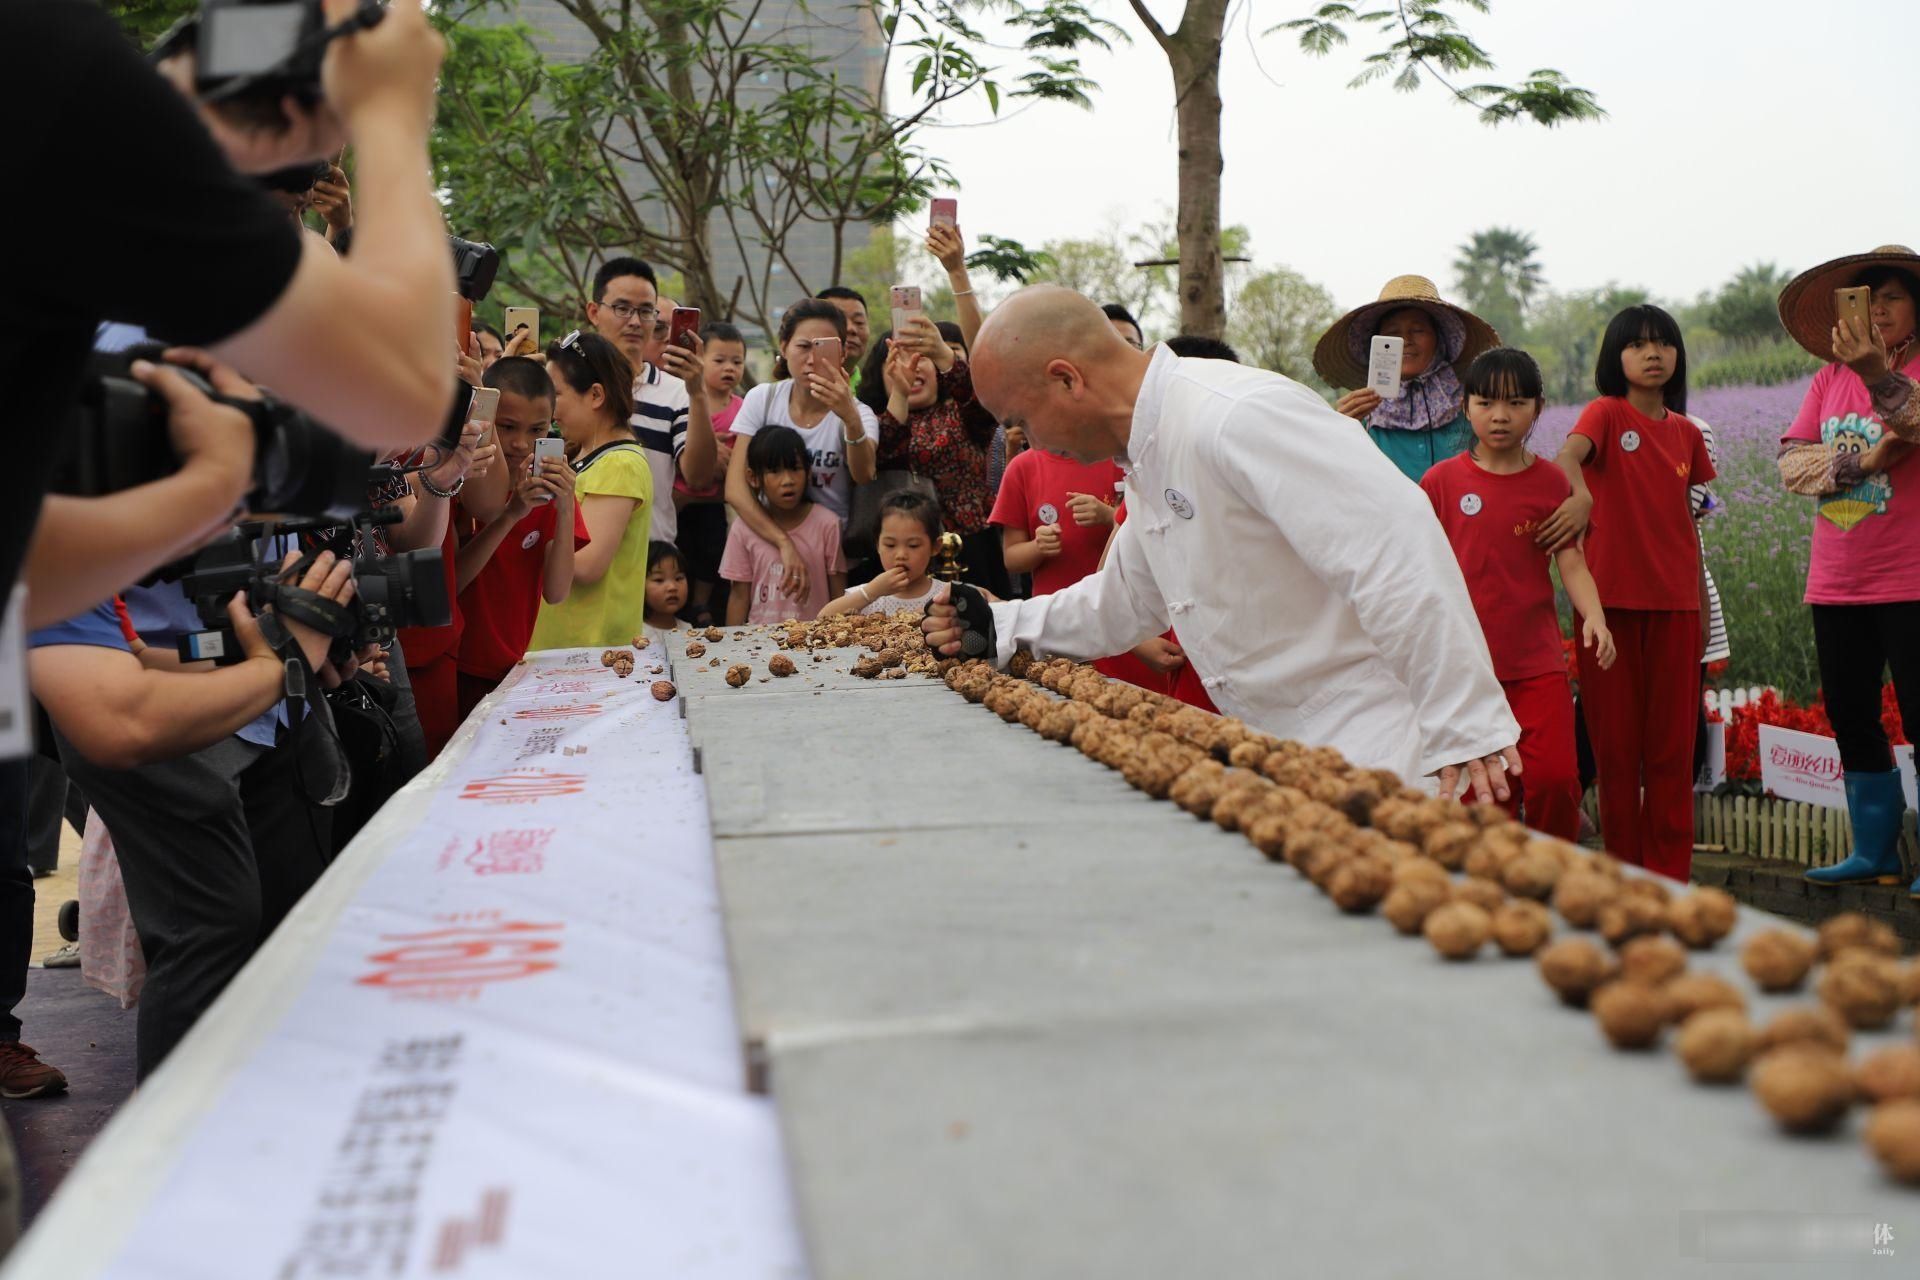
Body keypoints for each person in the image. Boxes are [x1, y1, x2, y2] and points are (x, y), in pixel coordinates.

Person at [922, 286, 1520, 796]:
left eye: (1022, 420)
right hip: (1278, 751)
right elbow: (1125, 601)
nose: (1028, 442)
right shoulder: (1148, 450)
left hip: (1377, 741)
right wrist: (1002, 626)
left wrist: (1462, 719)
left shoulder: (1234, 414)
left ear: (1066, 380)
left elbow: (1393, 544)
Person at [12, 0, 454, 634]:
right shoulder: (53, 62)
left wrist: (213, 486)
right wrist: (389, 114)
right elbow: (408, 391)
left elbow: (27, 575)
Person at [32, 553, 356, 1082]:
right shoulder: (64, 542)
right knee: (209, 928)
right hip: (167, 715)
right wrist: (282, 658)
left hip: (267, 719)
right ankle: (171, 1144)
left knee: (277, 924)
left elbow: (149, 654)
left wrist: (290, 647)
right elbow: (123, 717)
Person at [1535, 305, 1714, 879]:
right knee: (1616, 755)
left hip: (1678, 609)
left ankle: (1671, 880)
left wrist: (1705, 608)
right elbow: (1566, 456)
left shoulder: (1687, 434)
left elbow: (1689, 525)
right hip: (1607, 614)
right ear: (1616, 358)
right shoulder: (1606, 413)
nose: (1653, 354)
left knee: (1670, 756)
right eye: (1637, 345)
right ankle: (1626, 877)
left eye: (1663, 343)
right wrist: (1580, 496)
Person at [1418, 349, 1616, 840]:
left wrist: (1594, 616)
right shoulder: (1440, 483)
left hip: (1536, 664)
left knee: (1554, 781)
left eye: (1515, 403)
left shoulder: (1551, 484)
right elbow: (1418, 568)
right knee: (1487, 795)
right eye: (1485, 403)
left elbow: (1572, 562)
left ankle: (1551, 877)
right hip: (1467, 667)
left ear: (1538, 408)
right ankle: (1493, 892)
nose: (1500, 416)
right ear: (1465, 407)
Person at [1772, 246, 1920, 891]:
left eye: (1892, 296)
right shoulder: (1830, 378)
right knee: (1850, 713)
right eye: (1868, 298)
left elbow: (1914, 421)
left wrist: (1883, 382)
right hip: (1837, 578)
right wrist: (1866, 461)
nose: (1878, 308)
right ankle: (1875, 851)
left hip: (1911, 575)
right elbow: (1790, 467)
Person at [454, 358, 586, 718]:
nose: (519, 443)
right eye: (507, 427)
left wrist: (565, 507)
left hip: (512, 668)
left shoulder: (545, 490)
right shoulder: (460, 483)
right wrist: (512, 514)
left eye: (536, 431)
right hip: (456, 665)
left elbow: (557, 592)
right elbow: (452, 582)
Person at [724, 301, 878, 602]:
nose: (811, 360)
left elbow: (864, 474)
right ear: (783, 346)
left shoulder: (860, 414)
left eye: (822, 349)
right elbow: (735, 488)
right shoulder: (763, 399)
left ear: (842, 353)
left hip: (836, 561)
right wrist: (783, 542)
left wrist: (849, 418)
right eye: (803, 346)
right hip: (770, 554)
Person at [857, 317, 1010, 596]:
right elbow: (886, 452)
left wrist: (943, 353)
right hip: (901, 555)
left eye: (919, 358)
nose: (910, 367)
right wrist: (900, 395)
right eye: (896, 360)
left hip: (971, 550)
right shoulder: (870, 422)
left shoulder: (960, 411)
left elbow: (981, 398)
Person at [528, 332, 653, 650]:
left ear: (596, 395)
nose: (550, 410)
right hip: (569, 647)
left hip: (586, 650)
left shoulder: (620, 464)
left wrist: (521, 539)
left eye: (556, 395)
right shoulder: (584, 455)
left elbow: (586, 564)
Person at [1312, 276, 1500, 484]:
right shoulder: (1361, 415)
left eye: (1418, 330)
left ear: (1439, 339)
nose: (1406, 341)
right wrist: (1337, 430)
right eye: (1393, 333)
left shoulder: (1470, 406)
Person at [584, 260, 719, 543]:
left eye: (645, 311)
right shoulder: (569, 384)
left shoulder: (677, 392)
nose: (634, 321)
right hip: (577, 555)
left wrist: (697, 393)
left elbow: (699, 476)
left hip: (653, 559)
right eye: (622, 309)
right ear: (594, 312)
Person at [721, 426, 846, 624]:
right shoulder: (742, 529)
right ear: (753, 477)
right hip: (758, 647)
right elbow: (739, 596)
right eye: (775, 471)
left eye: (795, 469)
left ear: (808, 471)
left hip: (816, 647)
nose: (787, 480)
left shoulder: (827, 525)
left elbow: (839, 595)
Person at [675, 321, 749, 626]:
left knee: (713, 549)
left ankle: (701, 603)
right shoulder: (686, 401)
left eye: (737, 361)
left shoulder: (744, 408)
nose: (729, 368)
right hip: (681, 499)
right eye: (719, 361)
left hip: (716, 501)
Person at [820, 491, 943, 617]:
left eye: (913, 545)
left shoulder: (946, 595)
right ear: (878, 544)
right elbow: (822, 618)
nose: (900, 555)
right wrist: (871, 592)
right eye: (890, 545)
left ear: (935, 547)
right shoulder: (865, 596)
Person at [641, 543, 694, 647]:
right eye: (659, 580)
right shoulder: (638, 634)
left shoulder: (688, 629)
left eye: (678, 578)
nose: (672, 587)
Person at [817, 286, 873, 375]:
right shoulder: (790, 387)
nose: (851, 329)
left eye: (859, 322)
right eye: (840, 320)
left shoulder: (877, 387)